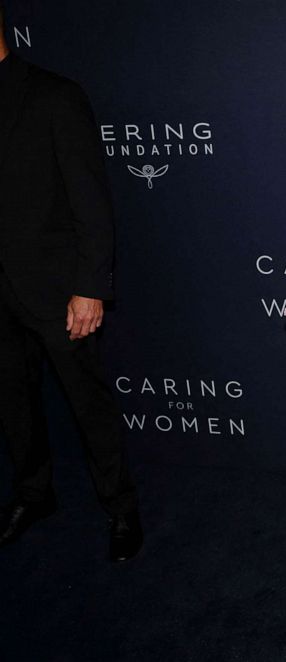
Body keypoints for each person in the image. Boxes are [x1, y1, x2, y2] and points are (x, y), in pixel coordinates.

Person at [0, 1, 142, 562]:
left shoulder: (54, 95)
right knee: (11, 402)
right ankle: (34, 495)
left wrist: (90, 286)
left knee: (89, 404)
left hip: (58, 289)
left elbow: (91, 199)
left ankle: (121, 505)